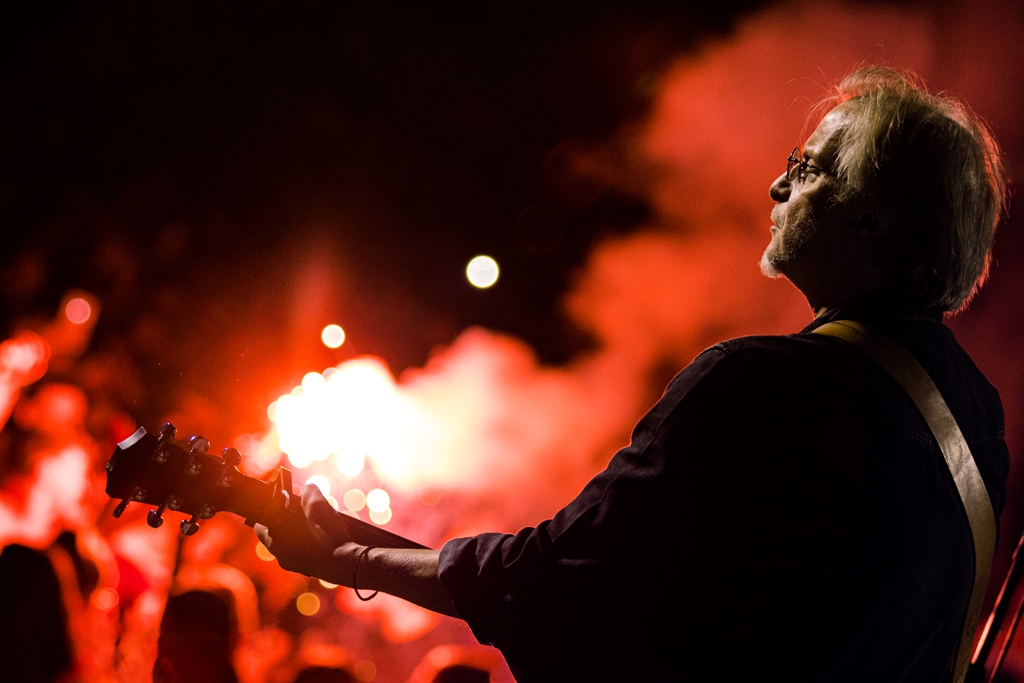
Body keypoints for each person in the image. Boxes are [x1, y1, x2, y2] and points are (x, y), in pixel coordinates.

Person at [255, 67, 1009, 682]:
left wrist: (346, 557)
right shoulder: (977, 415)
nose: (776, 191)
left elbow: (553, 578)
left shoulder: (760, 386)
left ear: (869, 220)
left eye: (803, 170)